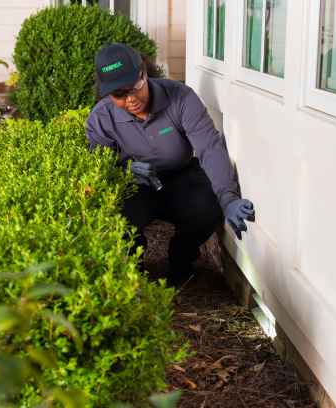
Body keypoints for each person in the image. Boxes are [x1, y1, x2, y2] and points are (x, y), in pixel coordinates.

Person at [85, 43, 255, 285]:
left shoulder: (180, 98)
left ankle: (181, 260)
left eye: (134, 87)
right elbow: (97, 166)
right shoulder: (101, 118)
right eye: (119, 95)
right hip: (135, 185)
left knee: (207, 208)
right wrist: (123, 171)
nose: (130, 99)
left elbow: (209, 148)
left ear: (144, 73)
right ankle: (133, 275)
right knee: (116, 217)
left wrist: (228, 198)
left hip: (180, 176)